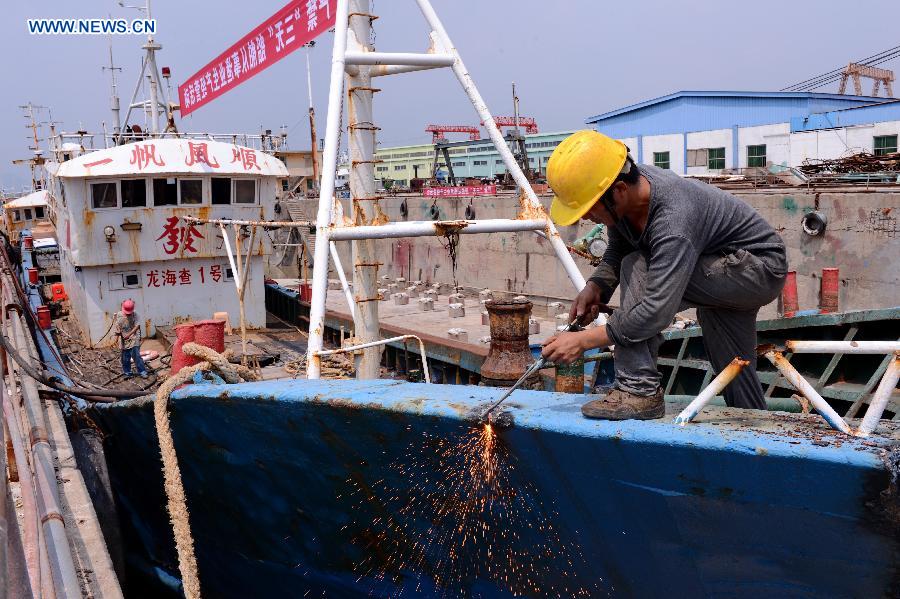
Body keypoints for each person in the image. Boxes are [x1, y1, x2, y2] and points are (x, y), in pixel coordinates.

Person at [541, 130, 787, 420]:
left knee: (638, 266)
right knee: (733, 367)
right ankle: (753, 423)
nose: (585, 218)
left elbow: (656, 310)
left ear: (618, 190)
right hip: (727, 271)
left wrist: (583, 341)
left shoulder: (673, 218)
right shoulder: (626, 194)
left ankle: (638, 390)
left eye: (588, 209)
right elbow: (619, 246)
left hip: (756, 270)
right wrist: (597, 286)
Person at [115, 299, 148, 379]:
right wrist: (118, 333)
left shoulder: (135, 315)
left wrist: (129, 334)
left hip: (134, 337)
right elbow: (117, 328)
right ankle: (127, 372)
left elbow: (137, 326)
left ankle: (142, 371)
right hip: (123, 339)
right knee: (125, 357)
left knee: (136, 355)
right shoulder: (118, 315)